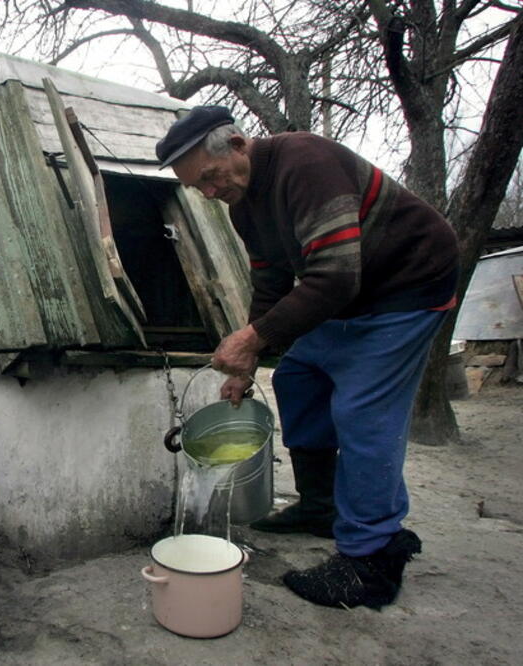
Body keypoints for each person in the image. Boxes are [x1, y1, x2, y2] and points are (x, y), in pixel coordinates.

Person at [156, 106, 459, 609]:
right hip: (352, 294)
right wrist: (249, 363)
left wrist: (252, 339)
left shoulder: (306, 163)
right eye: (197, 188)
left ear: (237, 144)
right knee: (298, 375)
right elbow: (271, 283)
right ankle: (321, 507)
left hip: (410, 283)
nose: (209, 192)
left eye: (209, 177)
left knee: (362, 409)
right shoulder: (244, 207)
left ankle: (372, 560)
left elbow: (336, 275)